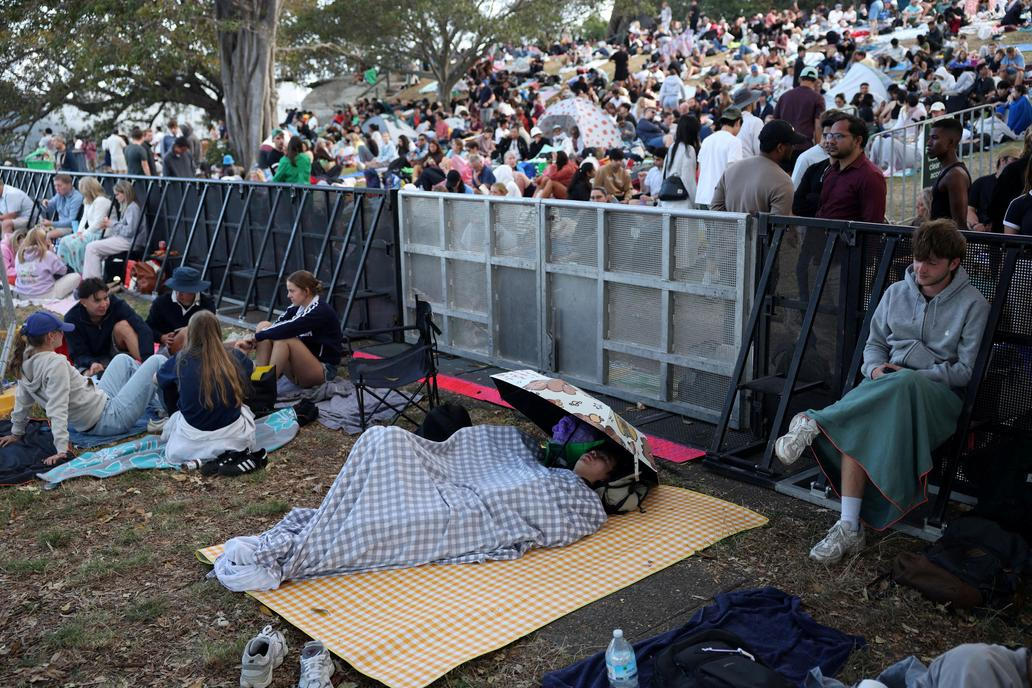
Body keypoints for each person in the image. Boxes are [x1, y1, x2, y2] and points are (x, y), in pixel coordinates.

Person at [774, 220, 989, 563]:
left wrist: (913, 375)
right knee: (862, 422)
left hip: (938, 400)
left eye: (931, 262)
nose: (920, 268)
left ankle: (814, 422)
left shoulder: (974, 304)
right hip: (888, 387)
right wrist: (875, 370)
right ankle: (848, 527)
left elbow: (964, 371)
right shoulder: (895, 293)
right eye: (918, 259)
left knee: (899, 385)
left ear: (953, 263)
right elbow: (873, 346)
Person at [0, 311, 166, 466]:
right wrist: (61, 450)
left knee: (123, 359)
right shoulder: (55, 364)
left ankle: (158, 409)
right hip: (109, 419)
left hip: (99, 403)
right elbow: (57, 408)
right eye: (61, 330)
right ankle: (167, 412)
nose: (63, 334)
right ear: (51, 336)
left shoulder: (25, 360)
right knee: (157, 361)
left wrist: (17, 432)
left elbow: (22, 401)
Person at [158, 310, 257, 464]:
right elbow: (252, 369)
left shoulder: (182, 359)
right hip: (234, 436)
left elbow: (157, 379)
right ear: (218, 332)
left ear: (191, 334)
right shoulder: (234, 356)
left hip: (193, 436)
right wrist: (241, 353)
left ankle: (170, 415)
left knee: (167, 383)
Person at [235, 270, 342, 388]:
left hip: (323, 371)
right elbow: (277, 326)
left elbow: (290, 327)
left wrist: (256, 337)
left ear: (306, 291)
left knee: (284, 339)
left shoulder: (320, 311)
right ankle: (258, 378)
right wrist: (256, 339)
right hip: (301, 367)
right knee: (263, 326)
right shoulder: (296, 307)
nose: (288, 295)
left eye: (292, 291)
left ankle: (264, 387)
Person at [710, 120, 805, 216]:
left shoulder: (731, 170)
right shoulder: (783, 181)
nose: (793, 149)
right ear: (780, 147)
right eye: (791, 145)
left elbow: (715, 210)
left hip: (731, 231)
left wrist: (734, 228)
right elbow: (778, 226)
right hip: (759, 231)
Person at [64, 277, 155, 374]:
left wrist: (147, 359)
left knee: (123, 326)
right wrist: (92, 363)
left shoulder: (116, 304)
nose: (103, 304)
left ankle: (147, 369)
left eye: (105, 298)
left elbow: (142, 327)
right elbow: (78, 354)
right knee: (86, 374)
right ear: (83, 302)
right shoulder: (72, 319)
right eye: (97, 300)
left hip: (114, 351)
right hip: (90, 361)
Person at [816, 114, 886, 223]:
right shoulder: (832, 170)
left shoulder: (870, 176)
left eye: (839, 136)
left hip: (849, 239)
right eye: (830, 136)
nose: (831, 141)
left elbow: (873, 226)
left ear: (857, 141)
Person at [82, 180, 147, 280]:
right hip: (126, 240)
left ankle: (94, 282)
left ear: (125, 193)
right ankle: (90, 279)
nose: (116, 197)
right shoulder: (129, 206)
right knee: (92, 247)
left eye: (117, 194)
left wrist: (112, 224)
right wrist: (110, 225)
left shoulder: (132, 208)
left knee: (92, 247)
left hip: (131, 242)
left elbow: (130, 231)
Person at [146, 266, 216, 354]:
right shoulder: (161, 302)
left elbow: (211, 333)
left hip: (198, 350)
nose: (179, 294)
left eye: (183, 291)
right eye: (176, 290)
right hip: (169, 349)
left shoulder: (207, 305)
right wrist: (162, 337)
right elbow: (148, 328)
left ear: (194, 290)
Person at [56, 177, 112, 274]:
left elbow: (98, 223)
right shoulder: (88, 201)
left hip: (100, 233)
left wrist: (85, 233)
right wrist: (79, 232)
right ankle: (63, 268)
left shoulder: (101, 201)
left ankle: (80, 271)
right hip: (89, 232)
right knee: (64, 241)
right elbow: (84, 218)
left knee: (75, 244)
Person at [925, 118, 970, 230]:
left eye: (935, 138)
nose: (928, 143)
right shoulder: (948, 170)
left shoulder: (955, 175)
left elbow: (959, 225)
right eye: (929, 138)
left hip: (947, 244)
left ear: (951, 142)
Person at [13, 226, 81, 301]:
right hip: (43, 295)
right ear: (44, 240)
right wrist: (52, 252)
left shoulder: (19, 254)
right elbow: (64, 271)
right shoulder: (46, 254)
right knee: (76, 276)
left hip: (22, 294)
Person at [696, 107, 744, 208]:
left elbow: (699, 170)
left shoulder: (707, 140)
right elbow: (733, 173)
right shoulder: (734, 142)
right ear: (738, 122)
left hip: (703, 196)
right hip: (720, 200)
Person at [774, 66, 824, 159]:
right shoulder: (817, 98)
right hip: (804, 147)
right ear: (816, 81)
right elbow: (818, 126)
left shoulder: (784, 96)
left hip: (783, 148)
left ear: (800, 79)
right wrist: (818, 150)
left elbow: (775, 122)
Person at [967, 150, 1018, 232]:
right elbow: (970, 209)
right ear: (1002, 160)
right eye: (1015, 160)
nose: (1018, 164)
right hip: (982, 232)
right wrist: (975, 225)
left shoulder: (1018, 186)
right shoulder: (981, 182)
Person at [661, 115, 700, 210]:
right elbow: (688, 179)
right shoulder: (689, 150)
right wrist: (696, 204)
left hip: (667, 202)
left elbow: (664, 174)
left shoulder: (672, 147)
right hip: (682, 204)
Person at [39, 174, 84, 241]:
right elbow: (48, 208)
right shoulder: (59, 194)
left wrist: (51, 223)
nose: (56, 188)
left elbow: (71, 222)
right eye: (55, 186)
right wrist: (44, 203)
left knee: (48, 235)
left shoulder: (76, 198)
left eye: (59, 185)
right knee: (36, 231)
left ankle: (48, 251)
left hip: (70, 227)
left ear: (69, 185)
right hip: (59, 225)